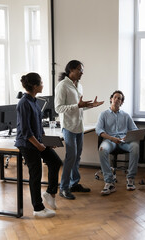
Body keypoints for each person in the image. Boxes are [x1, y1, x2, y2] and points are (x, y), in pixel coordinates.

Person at [15, 72, 62, 218]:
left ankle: (49, 192)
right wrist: (39, 145)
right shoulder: (23, 103)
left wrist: (46, 142)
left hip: (37, 141)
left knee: (55, 162)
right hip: (27, 144)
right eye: (41, 83)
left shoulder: (35, 101)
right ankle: (38, 209)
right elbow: (25, 131)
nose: (43, 85)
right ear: (35, 86)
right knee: (36, 174)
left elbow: (38, 127)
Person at [55, 60, 104, 200]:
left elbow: (79, 106)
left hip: (79, 126)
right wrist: (78, 105)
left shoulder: (79, 86)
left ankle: (74, 184)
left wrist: (91, 105)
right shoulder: (62, 86)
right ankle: (63, 188)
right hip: (69, 127)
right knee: (70, 158)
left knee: (77, 157)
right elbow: (58, 108)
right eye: (79, 69)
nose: (82, 72)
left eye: (82, 70)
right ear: (71, 70)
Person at [96, 90, 140, 195]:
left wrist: (127, 137)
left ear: (121, 102)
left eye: (119, 98)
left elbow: (135, 130)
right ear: (111, 99)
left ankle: (130, 178)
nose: (117, 100)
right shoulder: (103, 114)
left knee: (135, 146)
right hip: (109, 140)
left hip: (124, 141)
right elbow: (99, 130)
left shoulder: (126, 115)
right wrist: (111, 138)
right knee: (102, 149)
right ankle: (109, 182)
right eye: (115, 97)